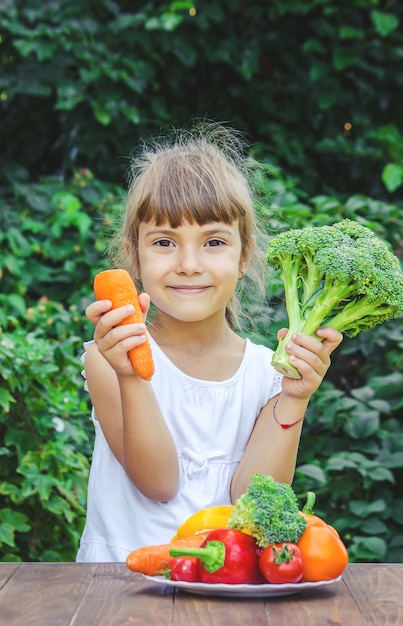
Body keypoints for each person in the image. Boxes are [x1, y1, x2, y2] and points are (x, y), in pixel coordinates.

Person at [76, 123, 342, 562]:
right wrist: (132, 374)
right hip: (120, 588)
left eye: (213, 241)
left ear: (243, 256)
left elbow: (251, 502)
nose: (189, 264)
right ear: (134, 256)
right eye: (164, 242)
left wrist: (294, 398)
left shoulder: (265, 372)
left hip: (225, 585)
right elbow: (158, 483)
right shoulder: (109, 358)